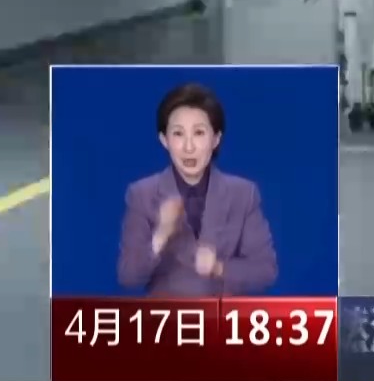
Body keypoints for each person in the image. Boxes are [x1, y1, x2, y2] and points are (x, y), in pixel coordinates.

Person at [117, 83, 278, 296]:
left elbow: (266, 271)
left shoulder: (244, 194)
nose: (189, 147)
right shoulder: (141, 194)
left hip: (222, 316)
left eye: (199, 133)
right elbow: (128, 277)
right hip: (167, 316)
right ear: (164, 140)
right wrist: (161, 235)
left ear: (216, 139)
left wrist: (219, 268)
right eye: (178, 134)